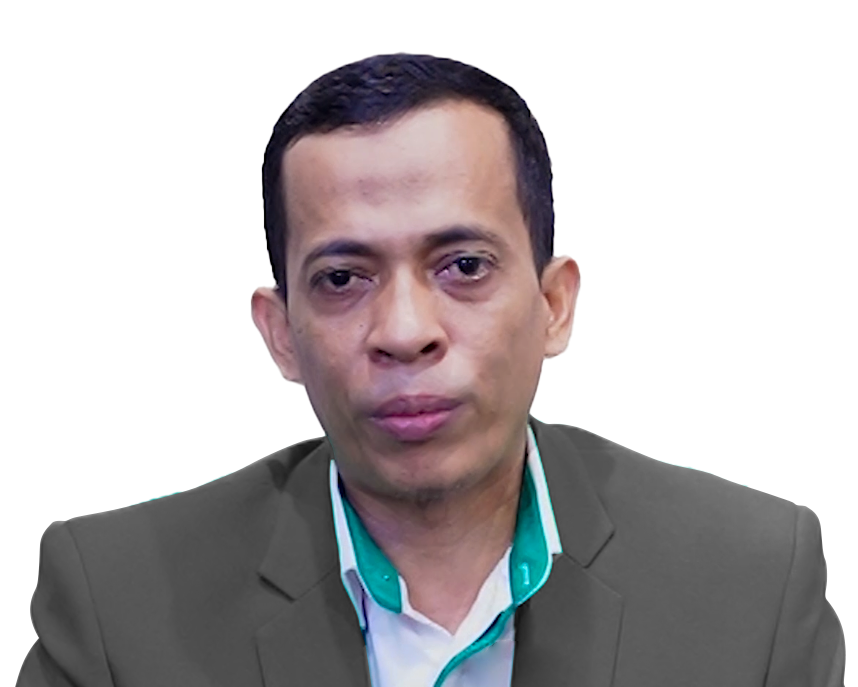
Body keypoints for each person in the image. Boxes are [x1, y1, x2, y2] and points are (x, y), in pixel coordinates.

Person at [18, 52, 843, 687]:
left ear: (555, 304)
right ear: (280, 335)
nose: (405, 332)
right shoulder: (115, 603)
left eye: (464, 266)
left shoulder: (754, 576)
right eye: (343, 278)